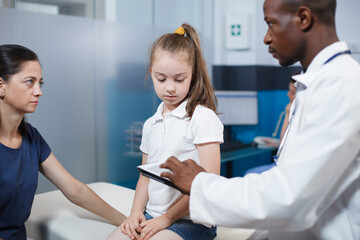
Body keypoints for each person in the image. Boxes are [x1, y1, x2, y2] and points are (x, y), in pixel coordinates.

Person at [160, 0, 360, 239]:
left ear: (303, 18)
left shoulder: (342, 86)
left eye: (271, 24)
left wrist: (200, 184)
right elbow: (288, 179)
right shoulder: (315, 82)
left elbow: (289, 198)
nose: (266, 38)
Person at [107, 23, 223, 240]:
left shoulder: (202, 118)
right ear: (151, 73)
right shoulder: (151, 124)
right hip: (154, 214)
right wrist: (135, 213)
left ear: (193, 74)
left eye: (179, 79)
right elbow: (145, 177)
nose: (170, 87)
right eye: (161, 79)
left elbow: (207, 183)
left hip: (193, 221)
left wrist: (167, 219)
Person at [0, 44, 127, 240]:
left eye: (40, 83)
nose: (38, 91)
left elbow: (74, 190)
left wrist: (124, 220)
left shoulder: (31, 137)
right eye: (29, 82)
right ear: (1, 86)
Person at [245, 79, 296, 174]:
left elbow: (283, 141)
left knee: (249, 174)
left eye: (292, 92)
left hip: (288, 166)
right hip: (285, 162)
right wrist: (276, 143)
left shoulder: (298, 113)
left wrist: (288, 113)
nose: (288, 94)